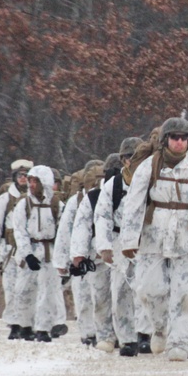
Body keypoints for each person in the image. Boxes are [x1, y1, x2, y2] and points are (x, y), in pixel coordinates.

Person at [120, 116, 188, 361]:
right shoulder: (149, 166)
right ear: (165, 140)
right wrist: (129, 240)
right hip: (153, 237)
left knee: (185, 294)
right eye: (174, 138)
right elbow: (134, 203)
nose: (179, 142)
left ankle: (179, 344)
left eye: (183, 138)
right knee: (147, 290)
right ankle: (159, 328)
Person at [93, 137, 145, 355]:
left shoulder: (151, 182)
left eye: (137, 158)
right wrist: (104, 246)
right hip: (119, 242)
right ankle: (127, 339)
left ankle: (147, 334)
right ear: (123, 160)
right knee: (120, 291)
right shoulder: (112, 186)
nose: (131, 162)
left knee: (147, 291)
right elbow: (102, 215)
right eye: (128, 158)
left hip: (146, 243)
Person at [70, 154, 121, 348]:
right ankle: (105, 336)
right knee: (100, 298)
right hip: (98, 258)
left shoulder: (132, 192)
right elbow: (81, 226)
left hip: (123, 256)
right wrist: (78, 255)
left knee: (124, 298)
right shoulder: (94, 196)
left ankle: (127, 335)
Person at [12, 165, 67, 342]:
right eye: (30, 181)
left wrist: (63, 257)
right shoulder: (23, 204)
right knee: (23, 290)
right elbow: (19, 231)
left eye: (36, 181)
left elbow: (64, 232)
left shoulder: (57, 205)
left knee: (48, 291)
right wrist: (27, 254)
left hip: (49, 252)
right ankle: (25, 325)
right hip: (29, 252)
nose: (32, 185)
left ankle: (43, 328)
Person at [56, 160, 104, 343]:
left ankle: (105, 332)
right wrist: (63, 262)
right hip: (80, 258)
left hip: (102, 257)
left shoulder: (106, 197)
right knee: (83, 298)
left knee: (103, 297)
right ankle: (88, 334)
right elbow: (65, 231)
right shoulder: (75, 202)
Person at [0, 159, 33, 339]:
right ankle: (14, 324)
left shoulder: (35, 198)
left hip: (30, 252)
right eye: (20, 175)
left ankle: (28, 324)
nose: (23, 179)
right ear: (15, 177)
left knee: (29, 288)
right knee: (11, 289)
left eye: (26, 176)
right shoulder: (5, 199)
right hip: (9, 252)